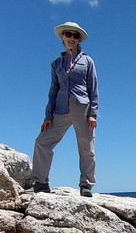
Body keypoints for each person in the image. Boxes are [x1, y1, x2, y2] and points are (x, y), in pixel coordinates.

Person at [31, 21, 98, 197]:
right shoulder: (56, 64)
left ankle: (86, 185)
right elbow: (53, 90)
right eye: (68, 34)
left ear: (79, 39)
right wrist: (48, 115)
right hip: (60, 110)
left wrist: (93, 113)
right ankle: (40, 182)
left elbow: (93, 88)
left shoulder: (87, 61)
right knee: (42, 142)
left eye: (76, 36)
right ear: (63, 37)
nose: (72, 38)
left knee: (87, 148)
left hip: (82, 108)